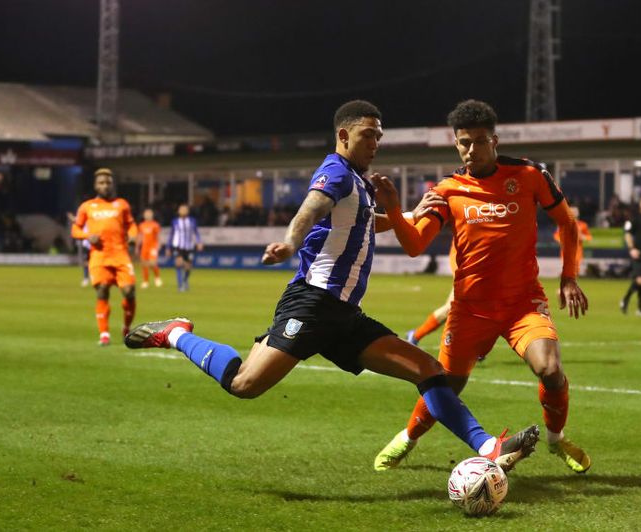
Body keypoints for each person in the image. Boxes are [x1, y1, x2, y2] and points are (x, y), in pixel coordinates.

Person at [124, 100, 539, 471]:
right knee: (244, 384)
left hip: (343, 315)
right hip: (312, 304)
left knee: (429, 370)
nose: (375, 143)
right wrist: (290, 242)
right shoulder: (336, 172)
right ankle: (176, 333)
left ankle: (489, 448)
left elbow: (367, 223)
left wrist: (408, 215)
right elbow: (310, 208)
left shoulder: (359, 182)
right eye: (368, 135)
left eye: (379, 136)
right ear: (344, 135)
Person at [370, 99, 591, 474]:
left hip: (523, 303)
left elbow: (567, 223)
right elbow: (415, 245)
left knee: (550, 369)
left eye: (479, 141)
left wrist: (568, 276)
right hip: (471, 309)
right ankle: (408, 437)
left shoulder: (529, 174)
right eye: (464, 142)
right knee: (446, 385)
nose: (471, 149)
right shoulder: (448, 190)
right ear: (456, 144)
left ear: (495, 141)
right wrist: (394, 208)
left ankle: (556, 440)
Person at [71, 168, 138, 346]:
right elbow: (75, 229)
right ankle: (104, 334)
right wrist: (87, 236)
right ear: (95, 185)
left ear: (112, 185)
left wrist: (133, 236)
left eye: (108, 182)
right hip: (99, 256)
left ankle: (126, 327)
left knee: (129, 292)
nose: (105, 185)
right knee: (102, 290)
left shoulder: (122, 204)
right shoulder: (87, 206)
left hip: (120, 254)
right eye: (101, 182)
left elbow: (131, 225)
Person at [165, 204, 203, 292]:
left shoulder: (192, 221)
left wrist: (199, 242)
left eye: (185, 209)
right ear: (178, 211)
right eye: (181, 209)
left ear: (188, 211)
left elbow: (196, 232)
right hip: (178, 246)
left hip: (189, 246)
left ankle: (185, 280)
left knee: (188, 267)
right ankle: (180, 285)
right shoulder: (175, 221)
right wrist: (168, 247)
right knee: (178, 263)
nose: (183, 211)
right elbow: (171, 234)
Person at [554, 205, 593, 274]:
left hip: (578, 250)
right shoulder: (563, 224)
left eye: (575, 211)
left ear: (578, 213)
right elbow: (556, 235)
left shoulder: (583, 225)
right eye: (572, 211)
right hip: (566, 250)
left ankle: (573, 278)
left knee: (575, 269)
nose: (574, 213)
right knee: (567, 267)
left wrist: (583, 237)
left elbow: (589, 237)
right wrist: (562, 240)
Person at [137, 208, 163, 288]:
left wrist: (159, 244)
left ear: (152, 215)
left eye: (149, 214)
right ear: (144, 215)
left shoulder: (155, 225)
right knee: (144, 264)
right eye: (146, 214)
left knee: (152, 263)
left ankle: (157, 278)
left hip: (153, 247)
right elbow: (140, 236)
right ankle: (145, 282)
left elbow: (158, 236)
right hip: (144, 247)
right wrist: (137, 247)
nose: (148, 215)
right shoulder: (141, 225)